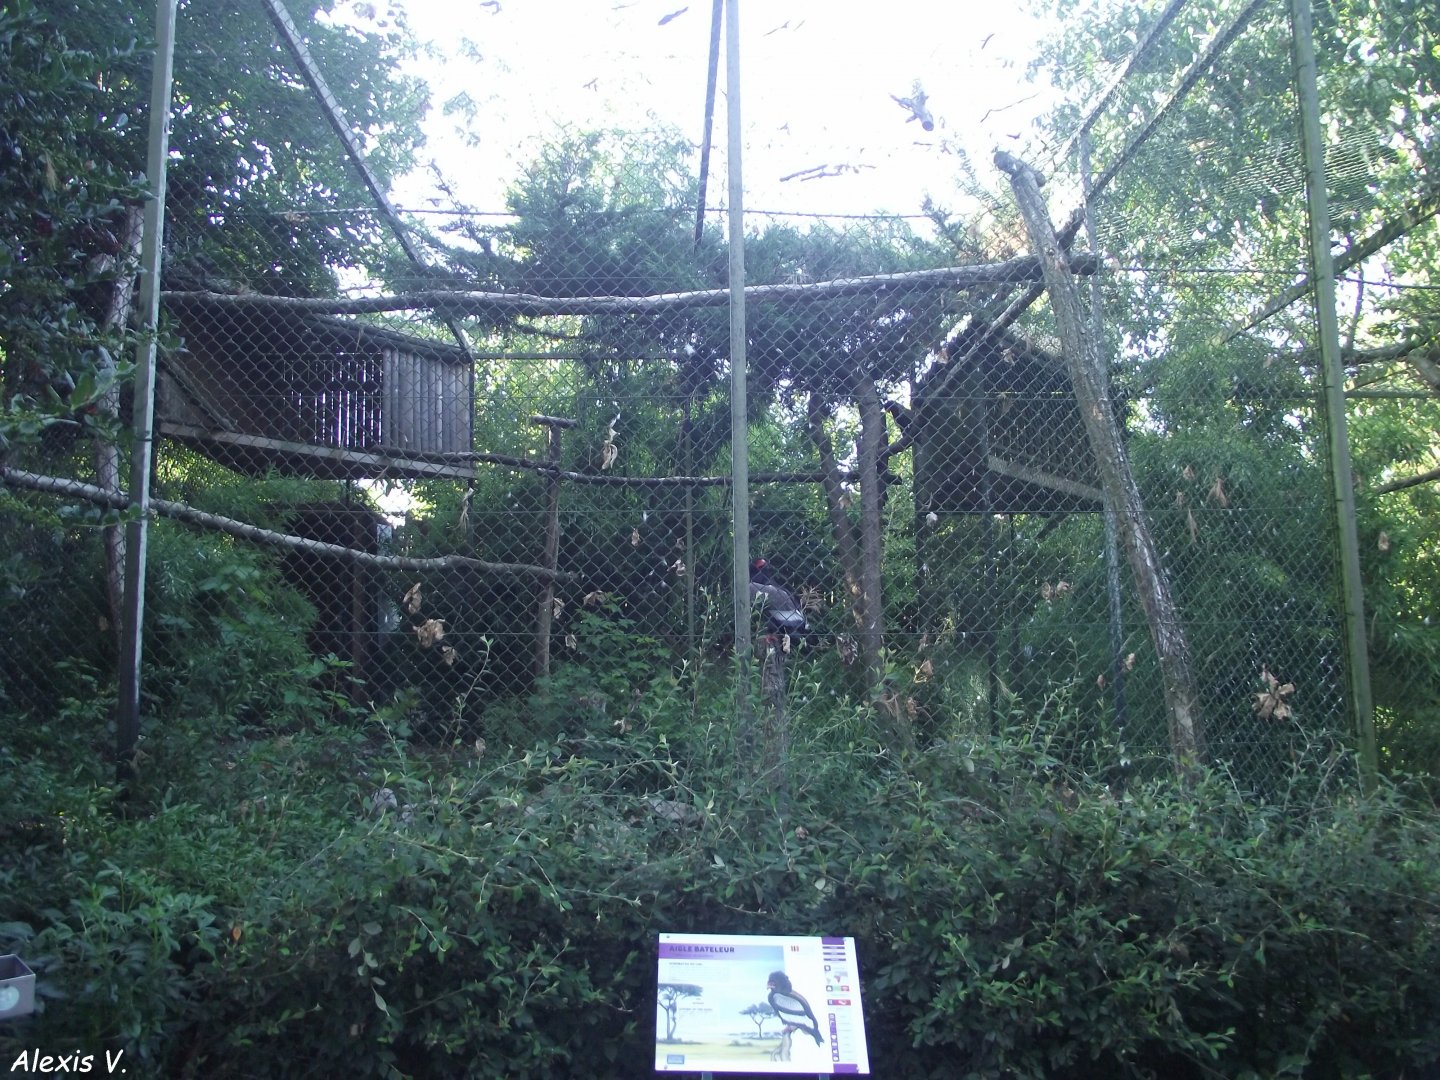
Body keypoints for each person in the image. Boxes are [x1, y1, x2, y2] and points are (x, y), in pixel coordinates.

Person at [766, 970, 823, 1062]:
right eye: (769, 984)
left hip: (807, 1025)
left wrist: (792, 1026)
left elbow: (802, 1019)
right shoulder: (788, 994)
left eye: (772, 984)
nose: (769, 986)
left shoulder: (778, 997)